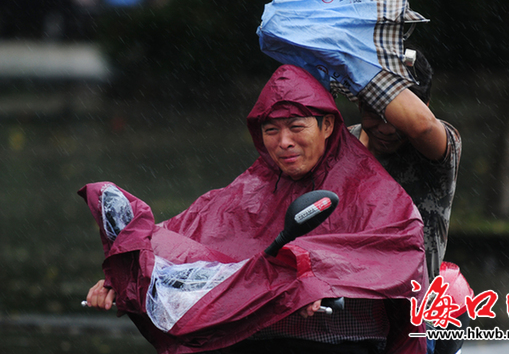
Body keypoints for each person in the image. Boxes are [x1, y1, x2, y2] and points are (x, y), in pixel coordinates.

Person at [82, 64, 428, 354]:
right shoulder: (249, 188)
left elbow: (396, 256)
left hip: (340, 342)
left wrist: (320, 279)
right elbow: (178, 238)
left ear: (327, 126)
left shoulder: (374, 190)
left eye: (296, 127)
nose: (284, 142)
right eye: (271, 130)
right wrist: (124, 274)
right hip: (254, 340)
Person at [348, 48, 470, 354]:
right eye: (374, 112)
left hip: (415, 319)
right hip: (349, 315)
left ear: (425, 107)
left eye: (395, 116)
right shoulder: (342, 146)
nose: (386, 127)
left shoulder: (440, 147)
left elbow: (420, 126)